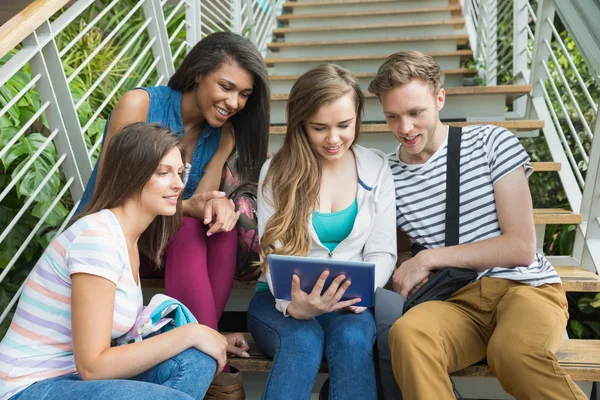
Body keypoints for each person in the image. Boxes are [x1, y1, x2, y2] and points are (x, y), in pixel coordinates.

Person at [368, 50, 588, 400]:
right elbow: (388, 249)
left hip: (525, 289)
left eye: (415, 113)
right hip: (454, 302)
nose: (404, 128)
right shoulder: (386, 175)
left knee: (512, 353)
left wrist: (427, 258)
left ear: (440, 98)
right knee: (407, 335)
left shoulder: (491, 142)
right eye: (392, 116)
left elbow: (519, 248)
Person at [77, 32, 271, 394]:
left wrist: (218, 195)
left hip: (163, 244)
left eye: (244, 94)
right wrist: (187, 208)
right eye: (226, 86)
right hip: (115, 242)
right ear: (199, 73)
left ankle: (204, 344)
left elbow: (198, 200)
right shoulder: (139, 105)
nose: (234, 102)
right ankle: (215, 362)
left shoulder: (220, 133)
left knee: (219, 225)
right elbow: (114, 194)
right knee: (184, 225)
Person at [0, 123, 228, 400]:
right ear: (132, 174)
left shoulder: (126, 239)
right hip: (28, 386)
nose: (179, 184)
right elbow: (93, 367)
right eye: (163, 173)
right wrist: (191, 332)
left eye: (180, 173)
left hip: (71, 379)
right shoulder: (98, 240)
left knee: (194, 361)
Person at [247, 64, 397, 400]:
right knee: (302, 339)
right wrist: (294, 307)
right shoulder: (277, 171)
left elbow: (383, 252)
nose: (333, 139)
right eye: (319, 128)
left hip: (349, 307)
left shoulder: (376, 167)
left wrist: (366, 291)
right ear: (301, 123)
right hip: (278, 303)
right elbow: (274, 253)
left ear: (358, 117)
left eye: (344, 125)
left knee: (352, 339)